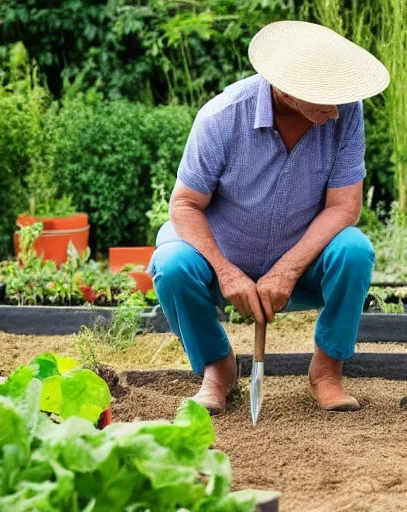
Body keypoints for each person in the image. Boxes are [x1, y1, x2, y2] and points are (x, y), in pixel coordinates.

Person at [150, 21, 390, 415]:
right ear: (285, 89)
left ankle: (326, 371)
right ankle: (218, 368)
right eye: (323, 99)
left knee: (354, 250)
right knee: (171, 265)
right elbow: (184, 206)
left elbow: (344, 207)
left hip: (302, 259)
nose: (334, 111)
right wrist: (226, 272)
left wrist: (287, 270)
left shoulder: (346, 112)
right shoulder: (222, 117)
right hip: (221, 258)